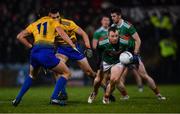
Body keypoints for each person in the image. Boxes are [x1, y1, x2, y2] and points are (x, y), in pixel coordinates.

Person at [12, 7, 77, 106]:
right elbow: (62, 33)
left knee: (31, 75)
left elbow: (19, 36)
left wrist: (30, 46)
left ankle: (17, 99)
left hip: (34, 52)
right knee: (66, 73)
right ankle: (54, 98)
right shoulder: (53, 21)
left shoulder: (34, 24)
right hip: (46, 52)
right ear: (49, 15)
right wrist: (71, 44)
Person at [109, 8, 166, 102]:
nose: (112, 18)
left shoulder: (128, 26)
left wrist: (135, 52)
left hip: (131, 54)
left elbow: (138, 40)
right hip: (121, 55)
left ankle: (158, 94)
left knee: (144, 76)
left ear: (119, 16)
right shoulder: (112, 26)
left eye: (114, 16)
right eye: (111, 16)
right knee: (117, 78)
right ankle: (125, 95)